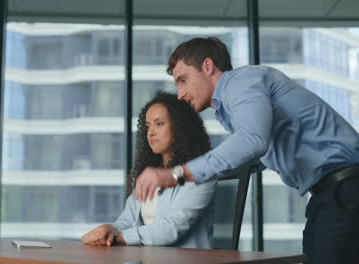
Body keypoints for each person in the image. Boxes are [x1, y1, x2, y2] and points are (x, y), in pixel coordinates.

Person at [134, 37, 359, 263]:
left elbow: (252, 140)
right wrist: (192, 174)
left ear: (208, 66)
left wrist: (178, 174)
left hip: (345, 190)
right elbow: (253, 154)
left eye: (183, 80)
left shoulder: (241, 84)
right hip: (332, 193)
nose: (180, 94)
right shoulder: (229, 107)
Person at [81, 92, 216, 248]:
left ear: (180, 127)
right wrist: (109, 230)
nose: (150, 132)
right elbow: (127, 222)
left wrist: (118, 237)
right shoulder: (149, 175)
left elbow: (171, 229)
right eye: (148, 126)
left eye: (159, 124)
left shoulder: (199, 172)